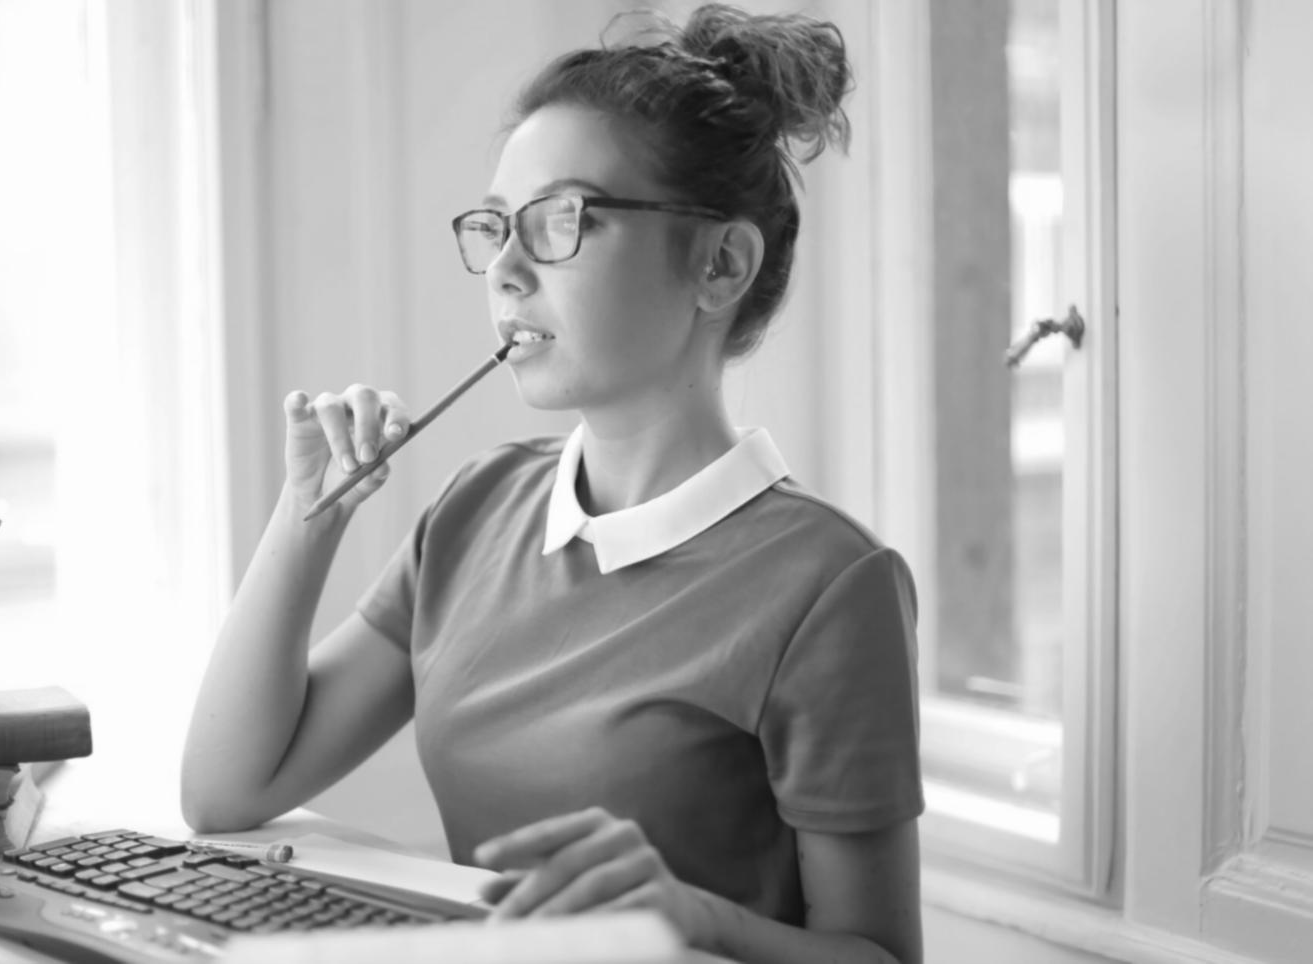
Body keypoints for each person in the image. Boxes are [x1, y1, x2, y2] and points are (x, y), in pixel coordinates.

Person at [181, 4, 924, 962]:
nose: (503, 268)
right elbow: (224, 793)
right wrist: (304, 518)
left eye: (560, 220)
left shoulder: (830, 585)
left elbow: (881, 956)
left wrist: (693, 921)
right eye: (495, 227)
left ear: (720, 263)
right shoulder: (474, 510)